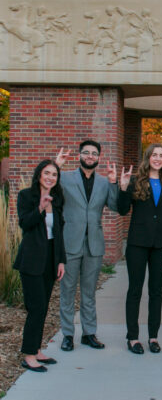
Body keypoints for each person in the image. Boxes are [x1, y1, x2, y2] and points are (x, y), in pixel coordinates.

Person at [55, 141, 117, 351]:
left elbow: (116, 206)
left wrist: (114, 182)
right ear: (80, 155)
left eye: (94, 153)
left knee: (89, 292)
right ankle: (67, 335)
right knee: (68, 290)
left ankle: (89, 333)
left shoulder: (103, 182)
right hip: (70, 242)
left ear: (99, 157)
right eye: (86, 153)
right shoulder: (64, 177)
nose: (90, 156)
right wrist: (56, 166)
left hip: (94, 245)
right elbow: (49, 191)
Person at [118, 144, 162, 354]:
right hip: (137, 244)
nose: (158, 158)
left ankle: (153, 336)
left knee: (156, 292)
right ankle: (132, 337)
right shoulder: (136, 181)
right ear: (148, 157)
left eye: (161, 156)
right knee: (135, 290)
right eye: (155, 155)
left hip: (160, 246)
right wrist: (123, 188)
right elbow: (123, 209)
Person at [14, 160, 66, 372]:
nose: (50, 177)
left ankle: (36, 350)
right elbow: (25, 223)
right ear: (39, 175)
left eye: (54, 174)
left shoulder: (58, 199)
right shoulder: (27, 196)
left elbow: (59, 232)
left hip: (50, 259)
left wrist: (61, 260)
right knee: (35, 308)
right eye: (47, 173)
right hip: (32, 260)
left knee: (43, 308)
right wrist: (40, 208)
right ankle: (28, 355)